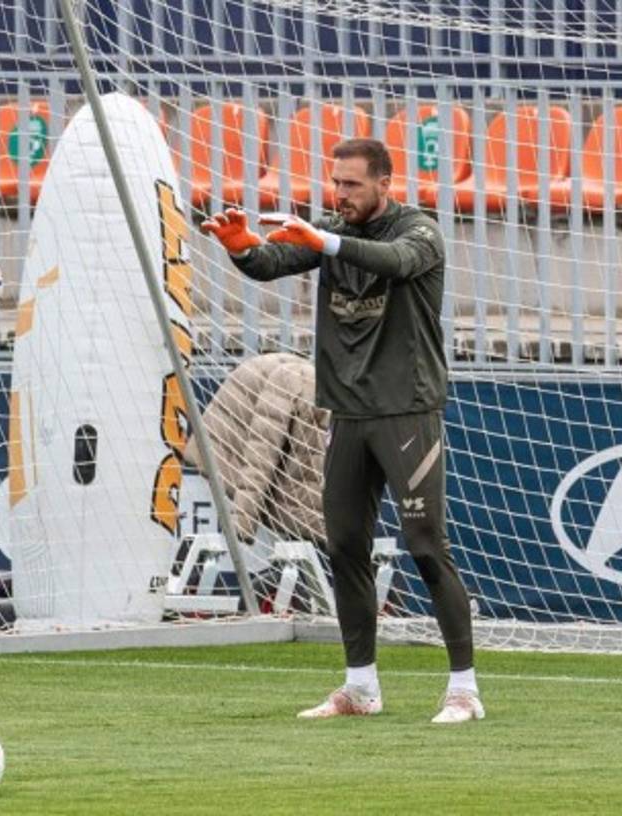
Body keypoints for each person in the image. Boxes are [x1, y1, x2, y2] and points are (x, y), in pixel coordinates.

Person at [199, 138, 483, 724]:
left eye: (352, 184)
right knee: (345, 546)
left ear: (385, 183)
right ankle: (360, 688)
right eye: (336, 183)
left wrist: (323, 240)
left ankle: (464, 690)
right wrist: (240, 248)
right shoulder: (328, 231)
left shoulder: (420, 231)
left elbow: (395, 263)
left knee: (427, 546)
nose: (341, 194)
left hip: (406, 412)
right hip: (346, 415)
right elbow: (271, 263)